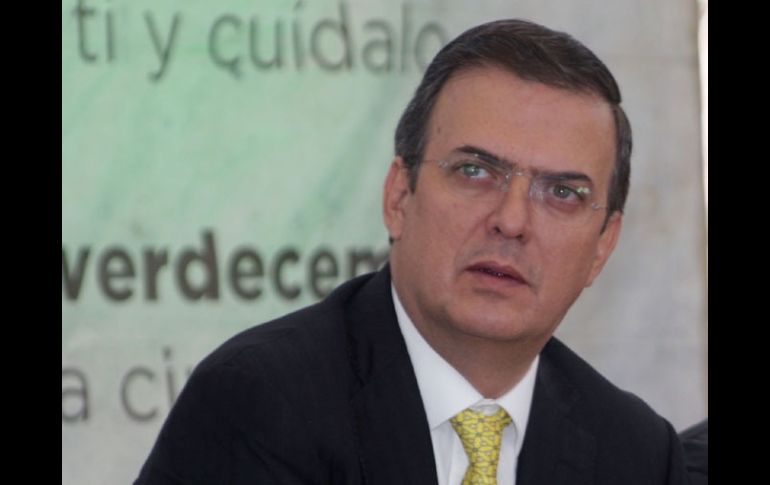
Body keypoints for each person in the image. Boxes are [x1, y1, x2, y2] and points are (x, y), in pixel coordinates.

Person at [135, 19, 689, 484]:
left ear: (603, 246)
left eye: (563, 193)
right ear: (399, 197)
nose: (512, 220)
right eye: (475, 171)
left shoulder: (637, 454)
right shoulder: (262, 402)